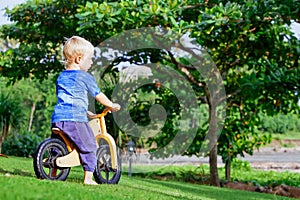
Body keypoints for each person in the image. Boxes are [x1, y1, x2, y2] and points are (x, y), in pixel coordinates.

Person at [51, 36, 120, 185]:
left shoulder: (61, 77)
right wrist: (111, 104)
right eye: (89, 59)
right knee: (90, 146)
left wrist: (86, 112)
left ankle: (52, 171)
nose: (91, 63)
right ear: (79, 59)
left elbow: (67, 98)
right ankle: (88, 178)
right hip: (75, 119)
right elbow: (98, 95)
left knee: (59, 145)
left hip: (59, 117)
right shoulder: (85, 77)